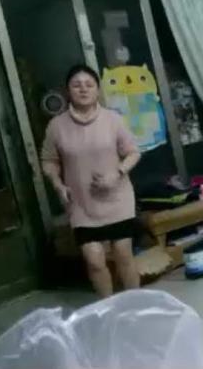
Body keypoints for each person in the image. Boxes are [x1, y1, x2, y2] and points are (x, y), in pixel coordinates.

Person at [41, 65, 141, 298]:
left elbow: (133, 152)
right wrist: (57, 184)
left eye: (89, 85)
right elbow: (48, 160)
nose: (83, 89)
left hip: (117, 200)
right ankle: (107, 309)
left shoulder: (113, 119)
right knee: (94, 261)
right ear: (68, 91)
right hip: (82, 204)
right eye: (77, 85)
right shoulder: (56, 126)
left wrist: (117, 173)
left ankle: (136, 304)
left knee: (123, 254)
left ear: (97, 89)